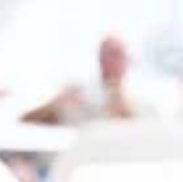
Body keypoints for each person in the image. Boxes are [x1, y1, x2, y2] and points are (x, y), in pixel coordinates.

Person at [22, 34, 157, 125]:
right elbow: (27, 120)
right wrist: (55, 104)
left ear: (128, 60)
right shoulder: (79, 92)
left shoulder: (143, 100)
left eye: (118, 55)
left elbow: (143, 135)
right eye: (107, 55)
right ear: (99, 58)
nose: (112, 61)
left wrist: (120, 104)